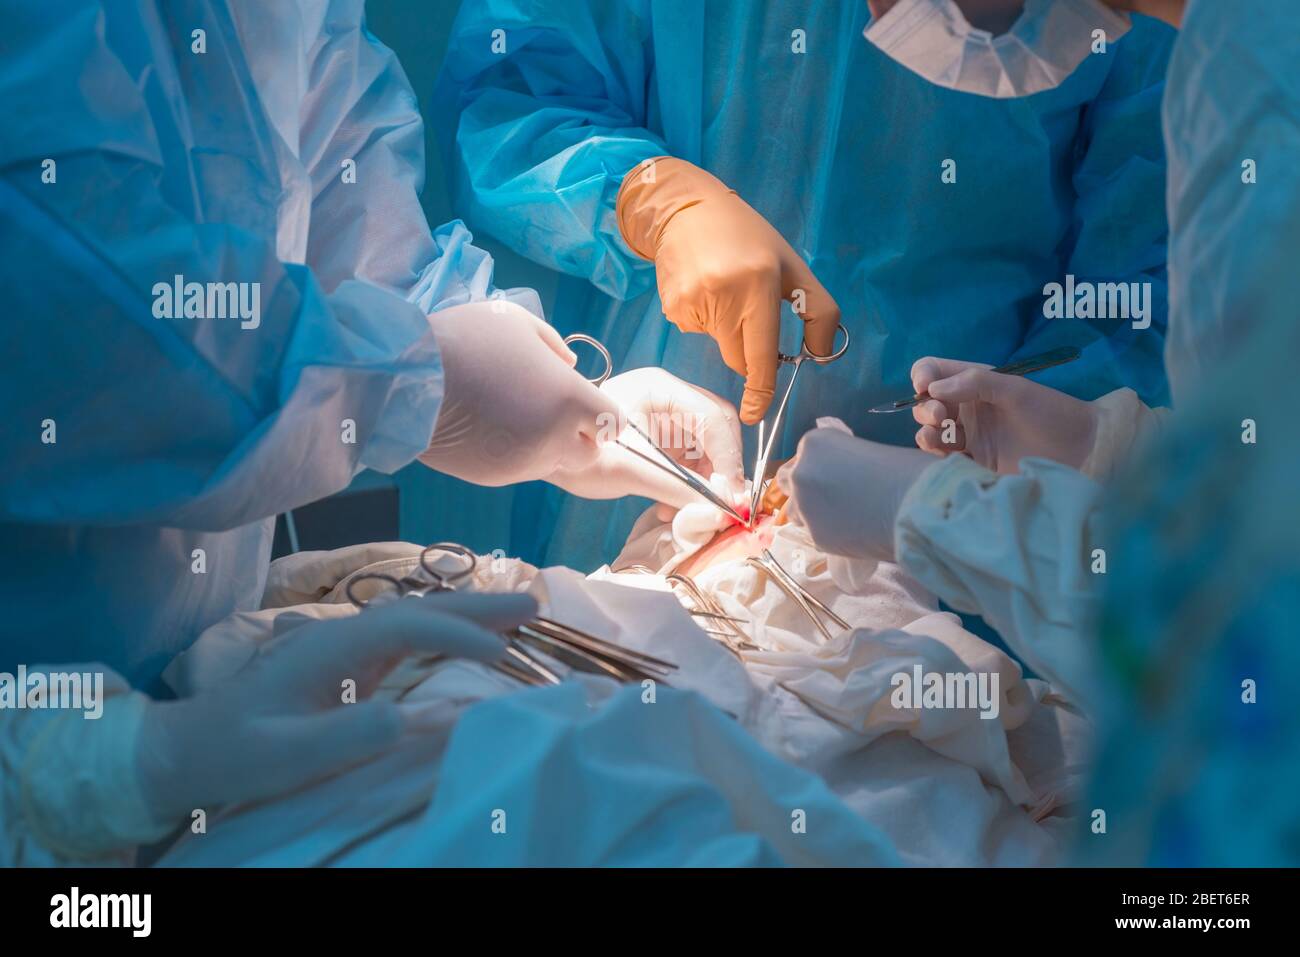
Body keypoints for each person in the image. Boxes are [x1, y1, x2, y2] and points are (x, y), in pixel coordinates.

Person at [0, 0, 742, 861]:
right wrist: (422, 378)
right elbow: (102, 344)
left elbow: (356, 238)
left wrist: (552, 391)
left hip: (196, 691)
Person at [778, 0, 1300, 864]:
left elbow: (1246, 651)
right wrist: (1100, 443)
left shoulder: (1260, 71)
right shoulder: (1245, 45)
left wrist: (935, 515)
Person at [433, 0, 1176, 567]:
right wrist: (650, 198)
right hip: (652, 479)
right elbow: (511, 96)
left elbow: (1144, 284)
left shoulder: (1184, 44)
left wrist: (1027, 464)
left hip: (976, 539)